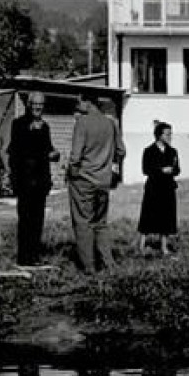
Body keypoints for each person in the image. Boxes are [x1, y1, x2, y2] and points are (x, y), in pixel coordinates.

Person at [67, 95, 125, 274]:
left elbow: (76, 155)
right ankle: (109, 263)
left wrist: (72, 171)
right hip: (103, 180)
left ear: (87, 102)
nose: (78, 106)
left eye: (79, 103)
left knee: (82, 223)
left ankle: (89, 266)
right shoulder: (110, 123)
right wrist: (113, 169)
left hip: (84, 179)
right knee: (100, 223)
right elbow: (121, 151)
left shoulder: (82, 122)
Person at [7, 93, 60, 266]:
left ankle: (34, 255)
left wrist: (54, 154)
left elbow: (48, 148)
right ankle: (24, 257)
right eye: (35, 104)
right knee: (26, 219)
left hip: (41, 180)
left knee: (38, 220)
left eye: (41, 104)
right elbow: (17, 152)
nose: (38, 107)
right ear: (29, 105)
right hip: (25, 180)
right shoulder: (19, 124)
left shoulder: (45, 126)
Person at [137, 121, 180, 256]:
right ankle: (142, 245)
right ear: (159, 135)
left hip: (168, 188)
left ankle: (164, 247)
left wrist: (172, 171)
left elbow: (177, 169)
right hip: (153, 188)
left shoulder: (173, 151)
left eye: (170, 134)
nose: (170, 136)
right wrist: (161, 170)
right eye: (167, 134)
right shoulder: (148, 151)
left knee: (166, 217)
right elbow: (145, 169)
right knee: (148, 217)